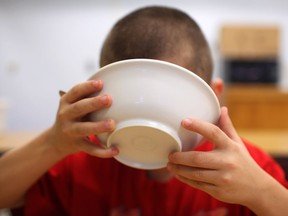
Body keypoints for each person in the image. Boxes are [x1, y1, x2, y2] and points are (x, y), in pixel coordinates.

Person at [0, 5, 288, 216]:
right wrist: (52, 142)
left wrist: (260, 192)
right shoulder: (79, 162)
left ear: (214, 94)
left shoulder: (244, 170)